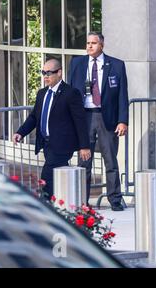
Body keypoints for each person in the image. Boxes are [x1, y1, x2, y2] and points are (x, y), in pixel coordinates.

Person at [12, 59, 91, 198]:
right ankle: (62, 204)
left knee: (46, 176)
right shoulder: (42, 93)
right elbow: (34, 117)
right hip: (47, 143)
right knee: (56, 176)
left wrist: (84, 146)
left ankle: (46, 204)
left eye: (49, 73)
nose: (45, 76)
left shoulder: (71, 93)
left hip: (62, 144)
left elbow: (80, 121)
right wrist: (20, 132)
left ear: (59, 73)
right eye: (43, 73)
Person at [68, 31, 129, 211]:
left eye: (93, 43)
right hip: (84, 117)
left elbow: (123, 96)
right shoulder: (77, 63)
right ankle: (82, 201)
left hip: (106, 117)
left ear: (101, 45)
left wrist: (122, 121)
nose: (89, 46)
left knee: (110, 160)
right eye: (87, 43)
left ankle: (115, 200)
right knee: (83, 161)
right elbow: (71, 92)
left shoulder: (116, 65)